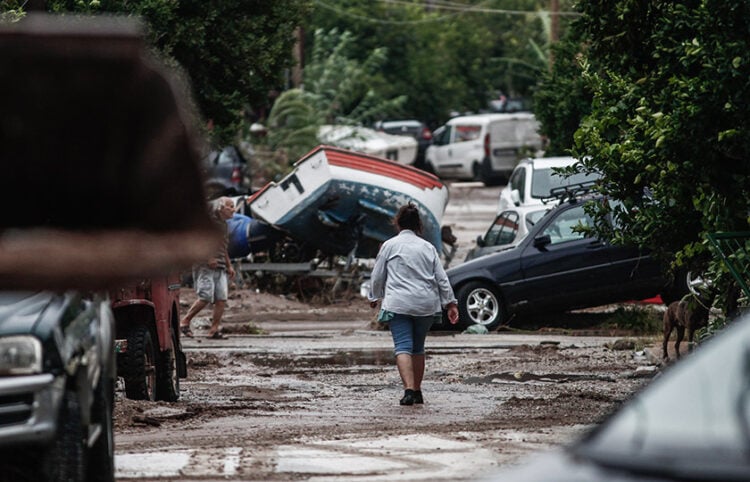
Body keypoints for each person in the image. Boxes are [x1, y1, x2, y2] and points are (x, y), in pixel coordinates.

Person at [368, 203, 459, 405]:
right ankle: (417, 391)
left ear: (398, 223)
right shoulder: (428, 248)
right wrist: (451, 304)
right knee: (418, 348)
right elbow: (441, 279)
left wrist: (374, 296)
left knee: (403, 346)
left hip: (399, 303)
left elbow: (377, 276)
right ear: (419, 225)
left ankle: (408, 390)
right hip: (425, 304)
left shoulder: (389, 246)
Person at [180, 197, 236, 339]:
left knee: (221, 298)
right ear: (221, 208)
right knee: (205, 296)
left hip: (220, 265)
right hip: (204, 265)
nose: (233, 209)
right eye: (230, 206)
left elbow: (223, 246)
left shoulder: (223, 225)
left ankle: (214, 330)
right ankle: (185, 321)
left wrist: (229, 265)